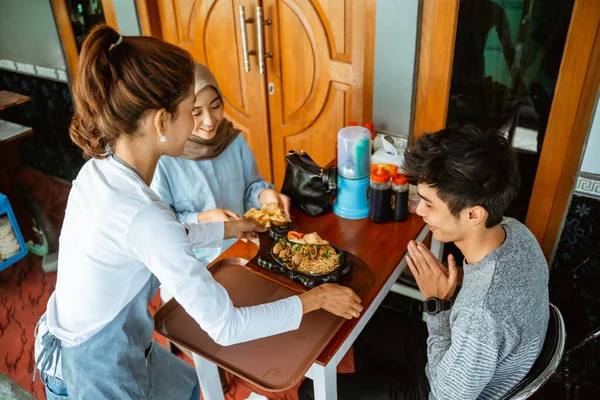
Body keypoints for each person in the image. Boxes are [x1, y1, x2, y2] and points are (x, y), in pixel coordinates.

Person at [33, 25, 362, 400]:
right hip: (93, 369)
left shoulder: (99, 170)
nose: (198, 123)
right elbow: (226, 327)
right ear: (161, 121)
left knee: (190, 389)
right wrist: (315, 299)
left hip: (79, 339)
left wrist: (234, 227)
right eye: (189, 111)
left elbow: (165, 238)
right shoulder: (144, 215)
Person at [299, 125, 549, 400]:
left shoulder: (480, 316)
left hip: (441, 390)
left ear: (473, 214)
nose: (419, 210)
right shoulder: (516, 232)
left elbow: (444, 396)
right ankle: (372, 375)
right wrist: (457, 287)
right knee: (359, 319)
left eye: (429, 204)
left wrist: (436, 304)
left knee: (310, 390)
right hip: (460, 353)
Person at [151, 63, 289, 271]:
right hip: (192, 264)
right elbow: (163, 227)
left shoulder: (234, 142)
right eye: (196, 112)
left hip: (241, 250)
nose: (209, 120)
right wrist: (204, 218)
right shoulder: (165, 159)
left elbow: (251, 187)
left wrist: (265, 196)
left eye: (215, 107)